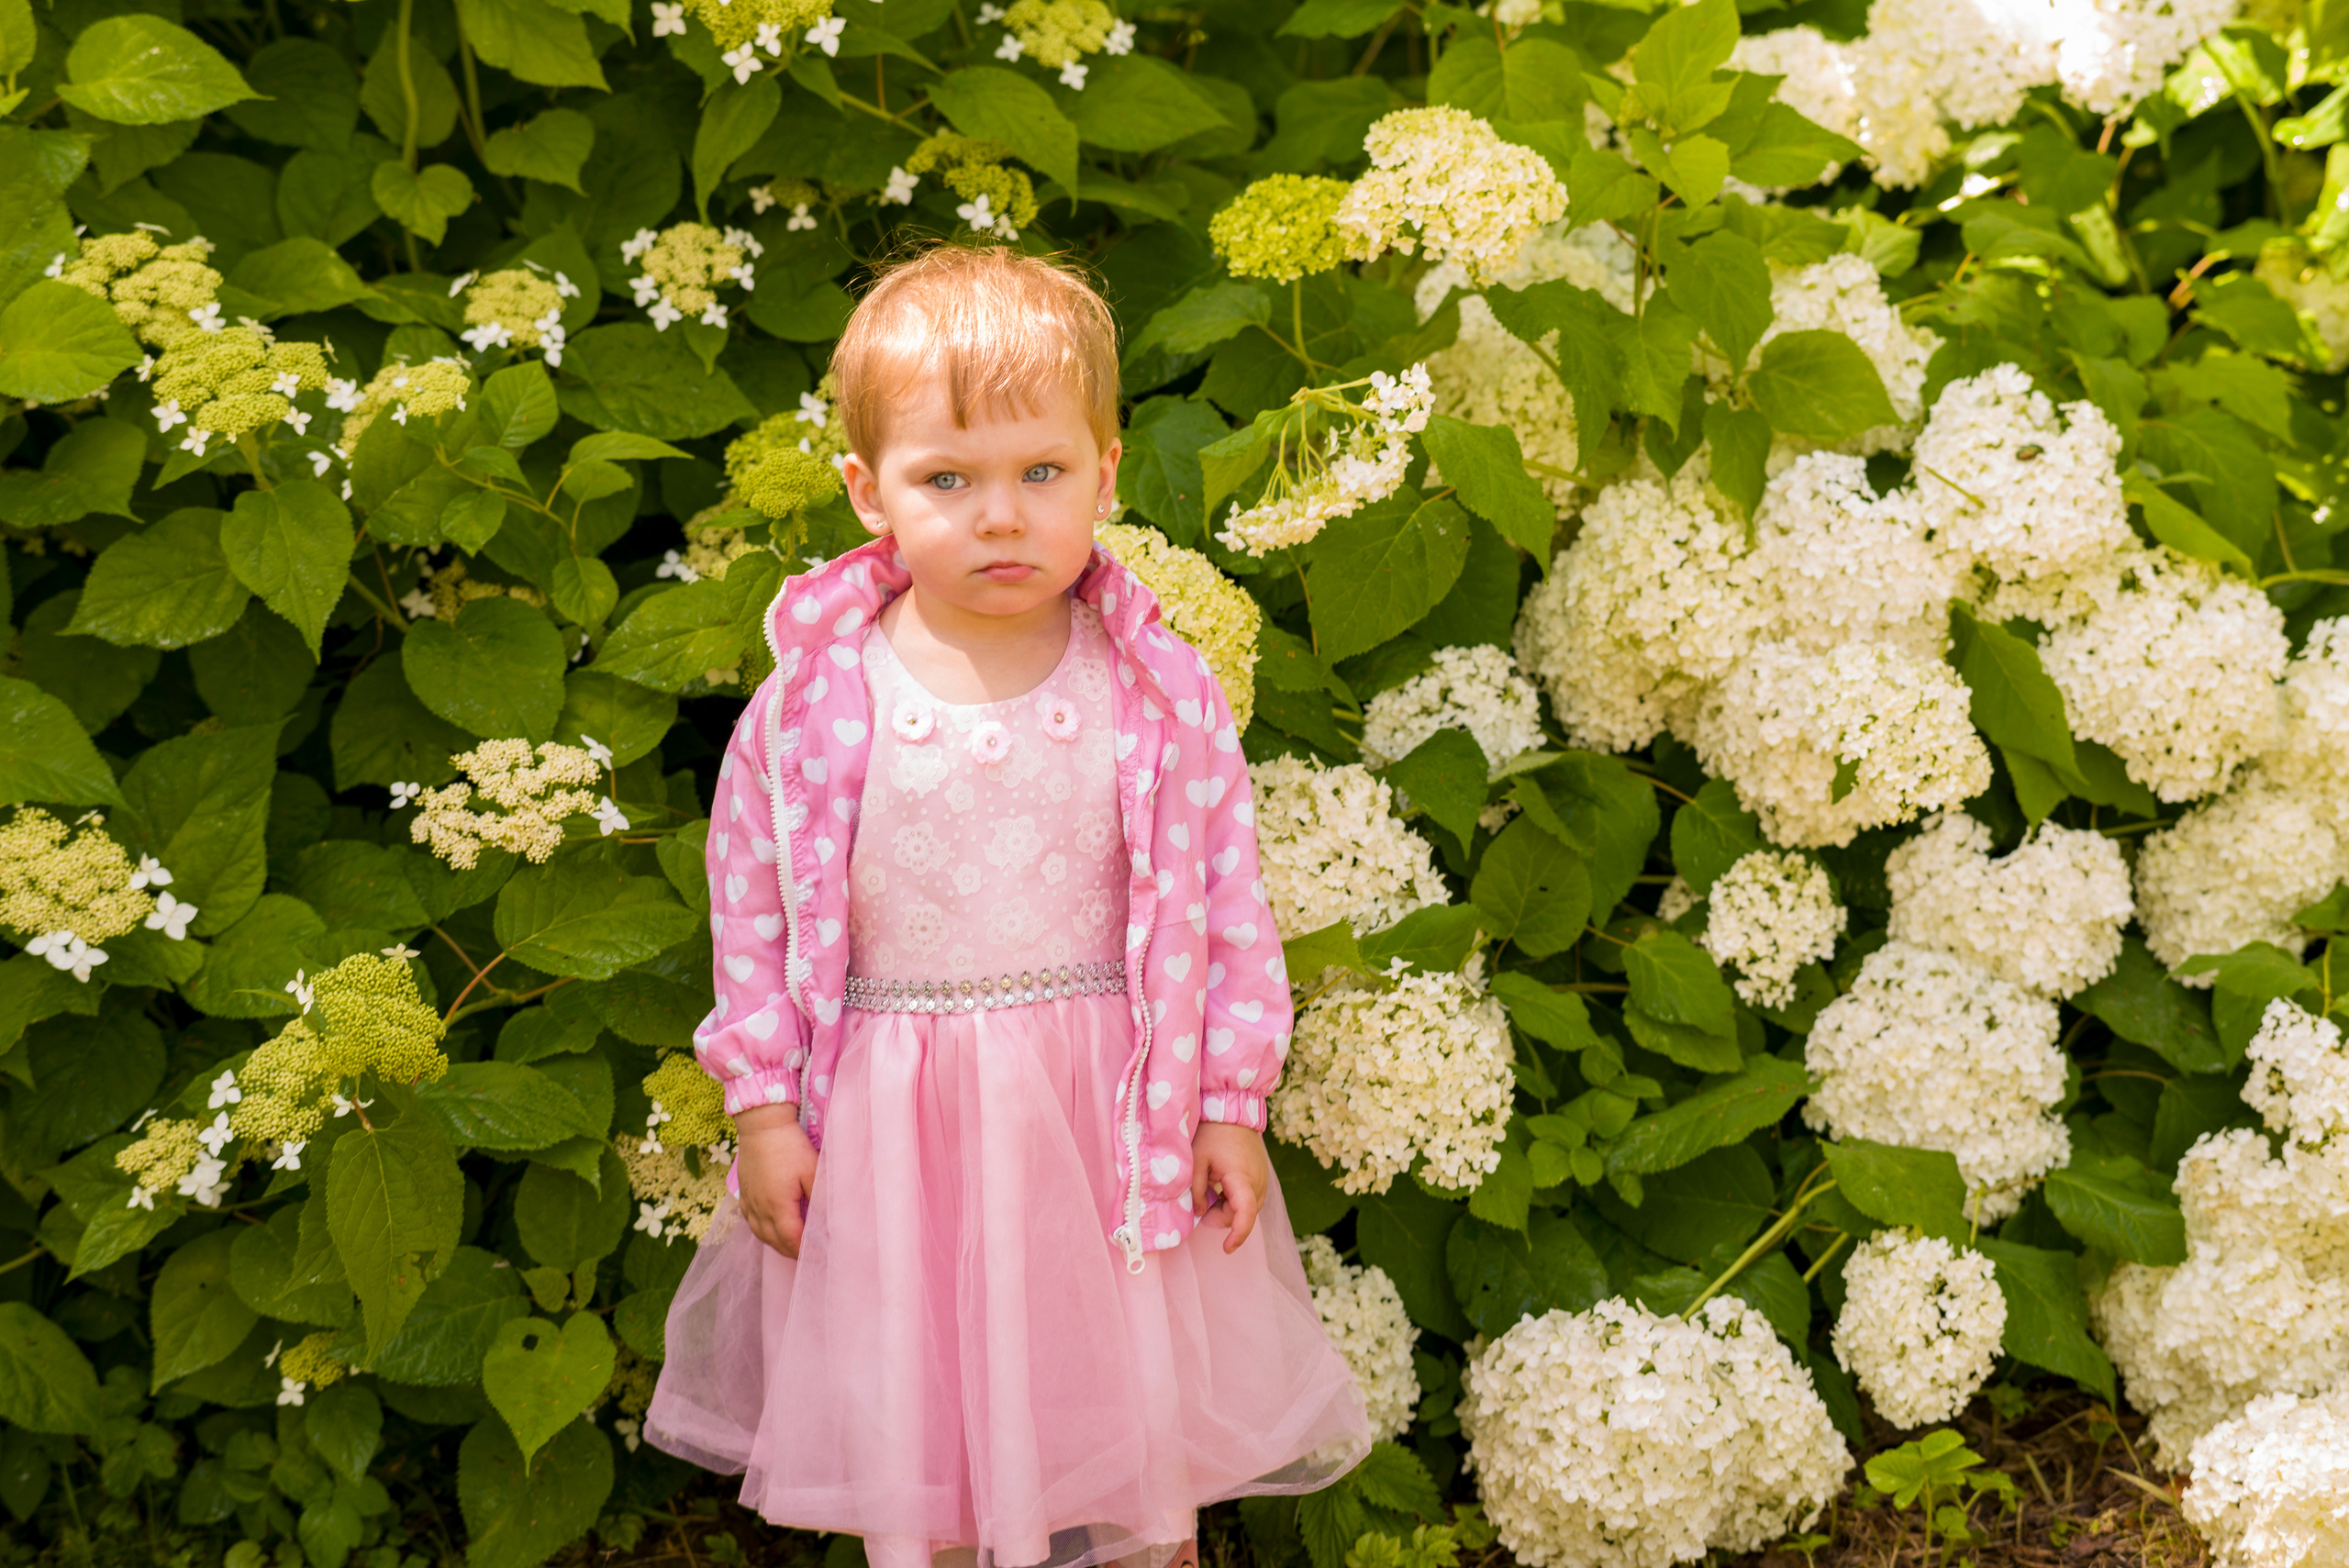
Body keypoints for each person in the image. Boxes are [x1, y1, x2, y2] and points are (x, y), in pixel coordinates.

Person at [645, 243, 1374, 1568]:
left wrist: (1227, 1102)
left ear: (1104, 469)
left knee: (1114, 1417)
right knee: (929, 1425)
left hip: (1102, 1118)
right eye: (948, 480)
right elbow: (748, 905)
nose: (1000, 515)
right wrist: (760, 1107)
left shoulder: (1154, 688)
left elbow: (1224, 897)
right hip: (897, 1130)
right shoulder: (815, 700)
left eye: (1041, 473)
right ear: (870, 491)